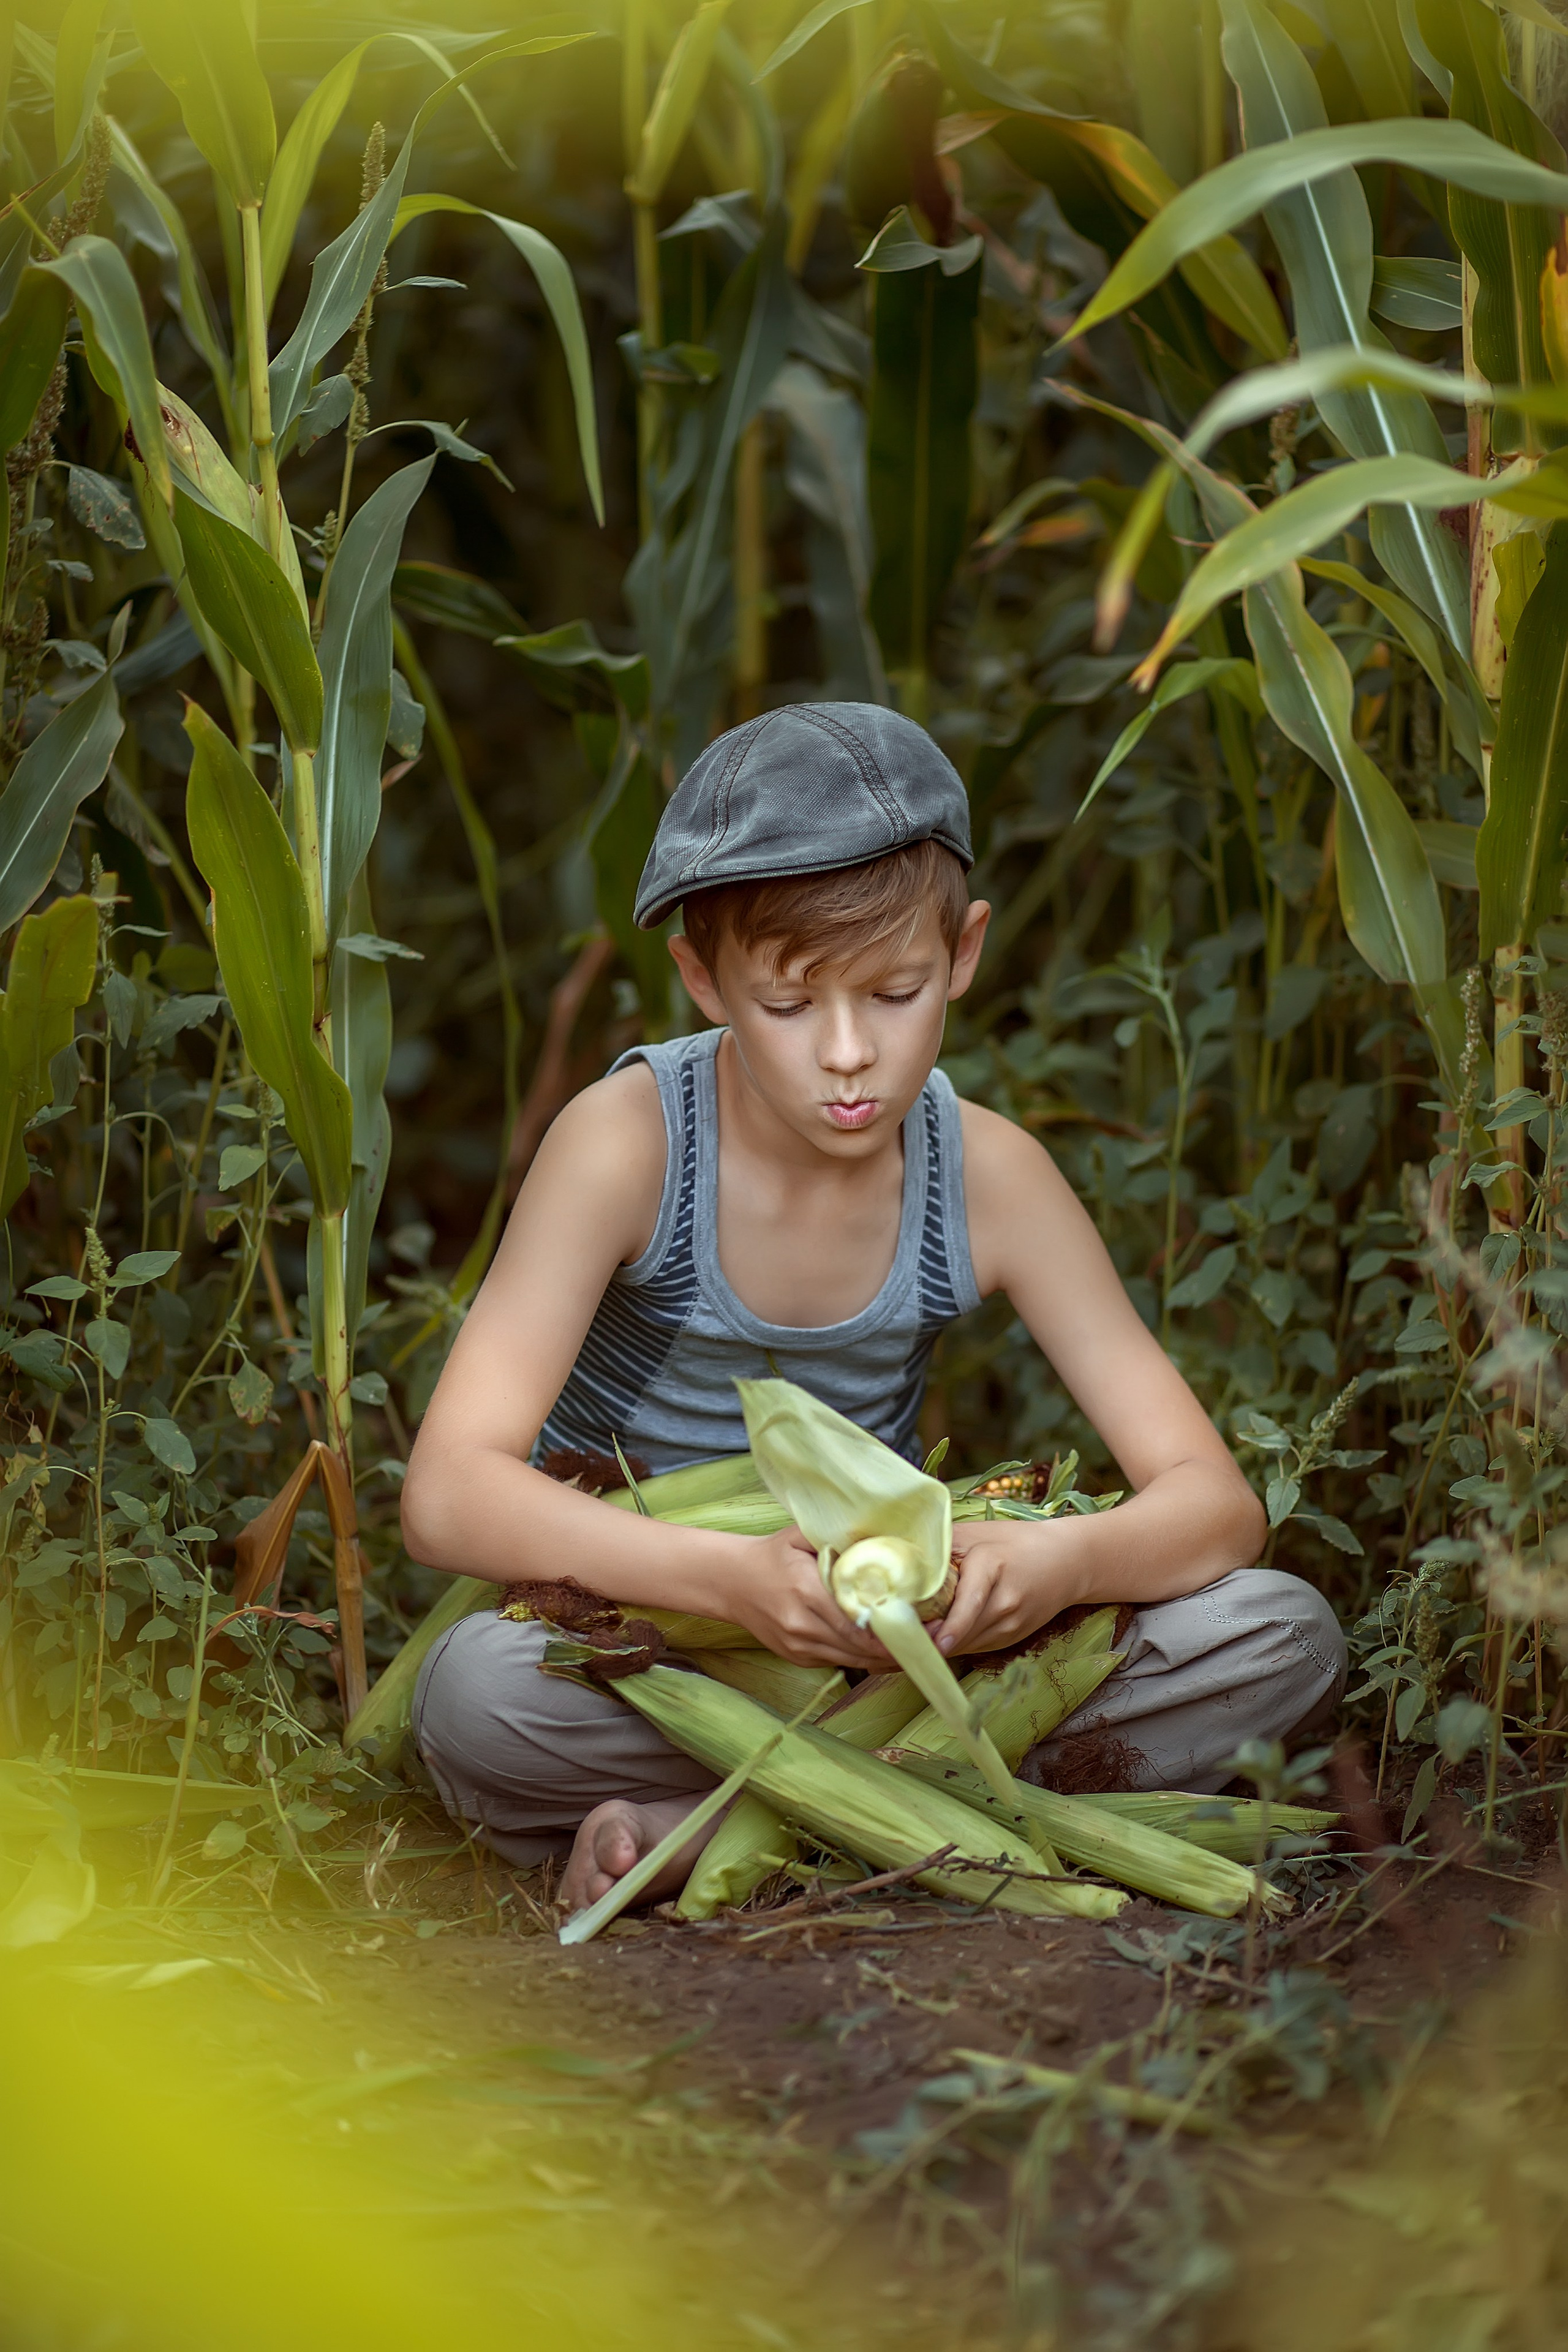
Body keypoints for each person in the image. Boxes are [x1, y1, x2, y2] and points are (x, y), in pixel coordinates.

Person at [401, 703, 1346, 1916]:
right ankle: (937, 1810)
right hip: (655, 1639)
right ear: (701, 980)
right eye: (789, 1007)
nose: (847, 1055)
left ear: (961, 952)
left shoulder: (987, 1176)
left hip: (889, 1654)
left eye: (894, 991)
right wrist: (731, 1582)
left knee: (1278, 1633)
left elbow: (1213, 1507)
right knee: (477, 1697)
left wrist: (1061, 1562)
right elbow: (448, 1494)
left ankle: (717, 1828)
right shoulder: (628, 1145)